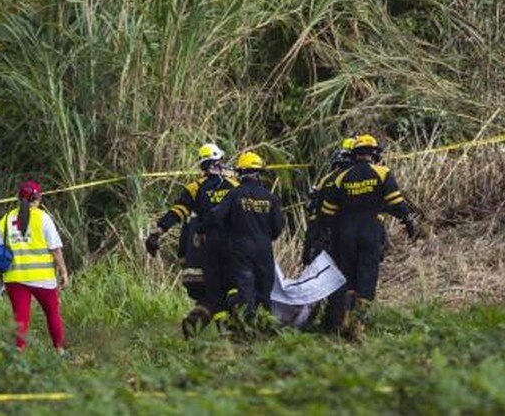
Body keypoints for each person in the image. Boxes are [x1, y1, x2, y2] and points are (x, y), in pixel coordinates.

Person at [320, 134, 417, 339]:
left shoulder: (341, 177)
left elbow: (327, 212)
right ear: (374, 153)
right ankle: (358, 326)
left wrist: (323, 236)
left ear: (354, 155)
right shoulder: (382, 173)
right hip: (370, 232)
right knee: (367, 277)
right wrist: (408, 222)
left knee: (349, 277)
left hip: (345, 235)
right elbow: (396, 202)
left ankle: (344, 321)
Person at [145, 143, 240, 336]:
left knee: (209, 297)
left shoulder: (195, 188)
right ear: (219, 161)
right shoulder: (234, 186)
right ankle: (232, 335)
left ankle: (195, 322)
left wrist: (156, 234)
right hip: (227, 254)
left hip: (196, 260)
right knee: (232, 290)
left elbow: (176, 212)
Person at [209, 151, 284, 331]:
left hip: (241, 248)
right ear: (259, 173)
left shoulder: (234, 194)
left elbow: (215, 216)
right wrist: (266, 237)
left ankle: (247, 330)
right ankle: (265, 327)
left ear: (240, 173)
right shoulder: (271, 198)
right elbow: (278, 227)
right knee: (265, 289)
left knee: (245, 289)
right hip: (264, 248)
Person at [0, 180, 70, 352]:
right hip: (42, 279)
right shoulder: (43, 218)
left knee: (20, 319)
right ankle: (60, 351)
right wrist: (64, 272)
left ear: (18, 198)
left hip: (14, 278)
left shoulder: (6, 219)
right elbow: (55, 249)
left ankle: (18, 355)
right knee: (52, 313)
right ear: (38, 198)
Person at [302, 137, 355, 266]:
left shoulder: (326, 180)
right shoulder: (363, 177)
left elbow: (313, 213)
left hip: (328, 237)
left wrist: (307, 249)